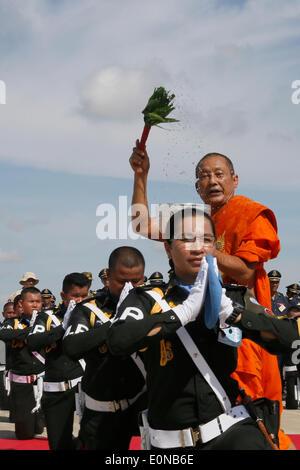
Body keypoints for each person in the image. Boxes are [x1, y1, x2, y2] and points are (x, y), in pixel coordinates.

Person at [128, 143, 291, 449]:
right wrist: (140, 175)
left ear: (235, 179)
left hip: (240, 332)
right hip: (200, 332)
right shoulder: (197, 222)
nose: (212, 181)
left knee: (247, 417)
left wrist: (202, 245)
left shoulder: (249, 213)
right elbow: (140, 224)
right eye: (204, 176)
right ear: (197, 187)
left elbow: (244, 270)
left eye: (219, 174)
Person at [108, 208, 276, 451]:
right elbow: (118, 341)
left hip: (227, 429)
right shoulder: (147, 299)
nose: (198, 247)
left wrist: (232, 312)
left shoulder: (233, 297)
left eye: (206, 240)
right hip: (170, 441)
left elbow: (288, 338)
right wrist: (182, 312)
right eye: (187, 239)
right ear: (168, 248)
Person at [63, 247, 147, 450]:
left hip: (140, 408)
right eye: (122, 281)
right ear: (108, 276)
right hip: (100, 415)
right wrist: (116, 326)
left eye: (136, 281)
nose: (129, 287)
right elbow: (71, 346)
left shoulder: (150, 303)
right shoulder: (91, 309)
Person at [27, 273, 90, 450]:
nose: (80, 300)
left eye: (84, 296)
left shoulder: (92, 313)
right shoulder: (47, 318)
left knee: (91, 440)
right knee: (59, 444)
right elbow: (33, 341)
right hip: (57, 391)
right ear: (63, 296)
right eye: (75, 296)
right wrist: (62, 328)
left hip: (86, 388)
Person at [0, 287, 45, 439]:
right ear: (21, 303)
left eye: (38, 302)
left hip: (45, 383)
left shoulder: (48, 320)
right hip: (22, 384)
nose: (35, 305)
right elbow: (4, 333)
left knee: (40, 430)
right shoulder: (12, 322)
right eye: (31, 301)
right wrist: (31, 332)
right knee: (24, 435)